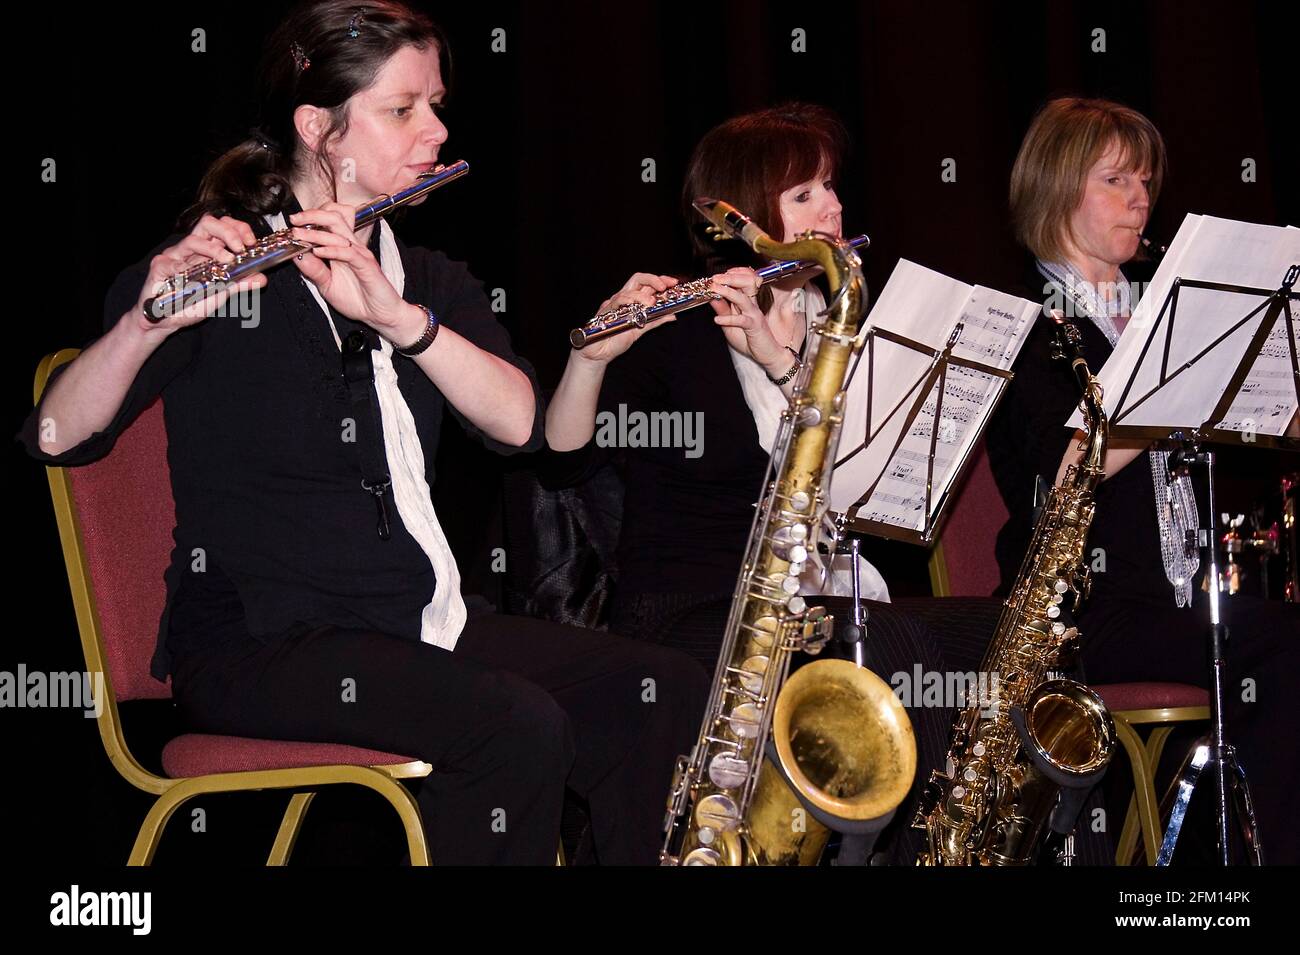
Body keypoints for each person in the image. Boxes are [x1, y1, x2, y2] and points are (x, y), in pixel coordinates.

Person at [19, 0, 708, 866]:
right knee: (513, 727)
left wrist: (399, 319)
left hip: (415, 626)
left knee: (659, 691)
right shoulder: (222, 271)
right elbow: (56, 434)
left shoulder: (428, 281)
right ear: (320, 129)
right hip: (258, 643)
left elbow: (521, 424)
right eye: (403, 108)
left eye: (436, 104)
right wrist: (143, 328)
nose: (437, 127)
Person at [541, 104, 959, 864]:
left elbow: (868, 480)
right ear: (742, 218)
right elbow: (564, 457)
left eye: (830, 185)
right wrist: (591, 358)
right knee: (891, 643)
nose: (831, 206)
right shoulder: (682, 330)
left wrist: (784, 359)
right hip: (695, 606)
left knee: (979, 638)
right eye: (804, 194)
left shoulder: (846, 318)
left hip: (823, 592)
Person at [987, 96, 1300, 863]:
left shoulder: (1153, 308)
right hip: (1087, 611)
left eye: (1145, 182)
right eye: (1116, 180)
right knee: (1287, 648)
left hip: (1174, 599)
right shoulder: (1029, 322)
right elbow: (1063, 472)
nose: (1140, 199)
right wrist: (1170, 378)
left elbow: (1266, 428)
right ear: (1059, 190)